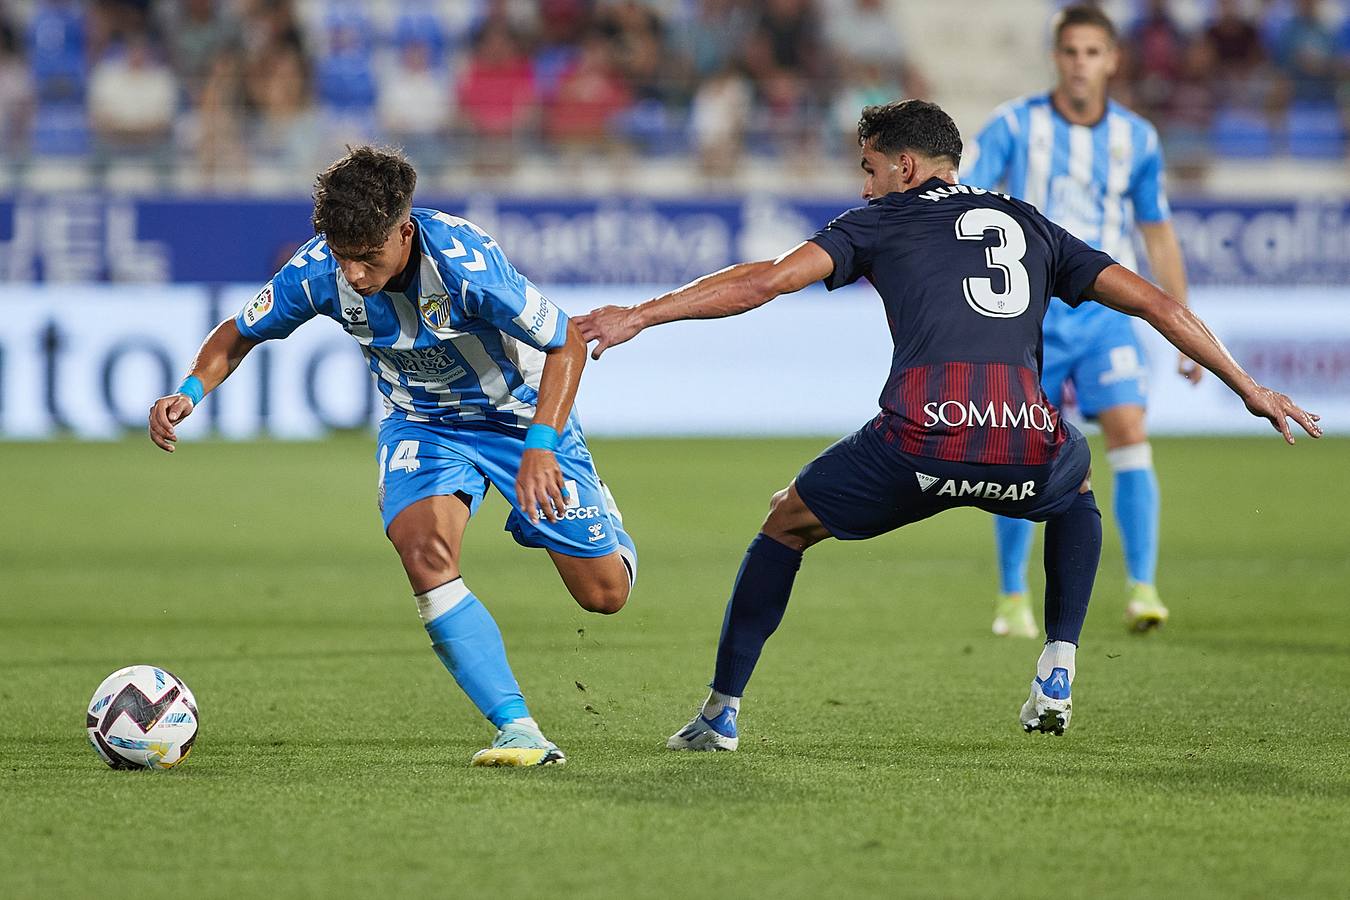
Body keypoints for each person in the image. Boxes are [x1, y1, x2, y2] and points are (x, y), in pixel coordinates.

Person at [575, 100, 1319, 749]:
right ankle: (1058, 663)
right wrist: (1248, 387)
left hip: (918, 440)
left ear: (904, 166)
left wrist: (639, 313)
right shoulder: (1031, 223)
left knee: (785, 524)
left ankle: (720, 714)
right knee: (1079, 482)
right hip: (1026, 441)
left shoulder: (879, 219)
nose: (861, 185)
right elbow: (1158, 304)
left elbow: (765, 281)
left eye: (868, 168)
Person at [148, 147, 637, 767]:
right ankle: (517, 727)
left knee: (605, 595)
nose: (353, 274)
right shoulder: (320, 269)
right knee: (423, 552)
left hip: (519, 415)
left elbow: (564, 341)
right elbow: (238, 333)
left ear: (403, 230)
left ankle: (590, 518)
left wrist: (541, 446)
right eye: (343, 256)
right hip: (422, 423)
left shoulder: (466, 266)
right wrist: (189, 391)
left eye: (367, 256)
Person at [962, 4, 1196, 638]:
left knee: (1128, 428)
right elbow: (965, 205)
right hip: (1030, 315)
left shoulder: (1138, 139)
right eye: (1070, 52)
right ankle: (1013, 596)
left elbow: (1158, 234)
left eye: (1093, 53)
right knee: (1018, 446)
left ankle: (1143, 588)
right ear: (1055, 58)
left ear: (1113, 60)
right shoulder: (1014, 125)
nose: (1081, 65)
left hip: (1106, 314)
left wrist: (1183, 326)